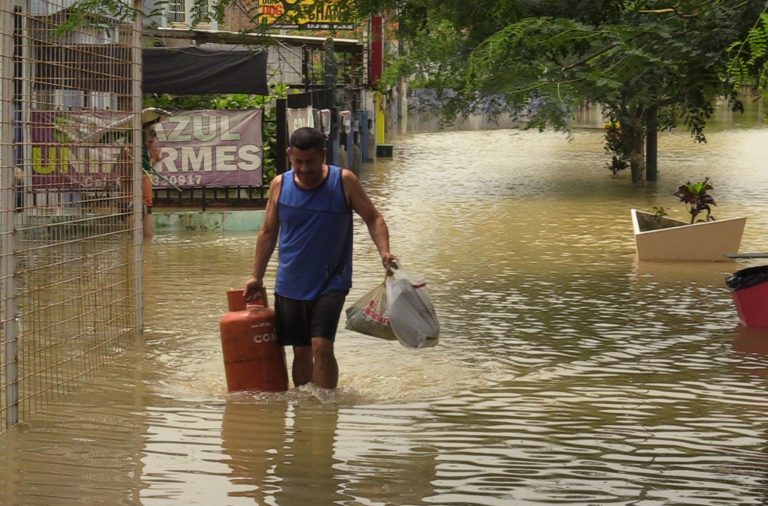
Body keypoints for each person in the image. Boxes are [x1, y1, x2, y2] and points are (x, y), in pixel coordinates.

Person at [243, 127, 395, 390]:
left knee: (321, 345)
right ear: (289, 155)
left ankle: (326, 410)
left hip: (332, 280)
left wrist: (384, 251)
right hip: (290, 281)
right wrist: (256, 275)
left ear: (323, 155)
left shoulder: (343, 181)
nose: (303, 168)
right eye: (297, 161)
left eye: (310, 162)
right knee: (301, 350)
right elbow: (268, 231)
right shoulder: (280, 184)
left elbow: (374, 217)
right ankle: (305, 413)